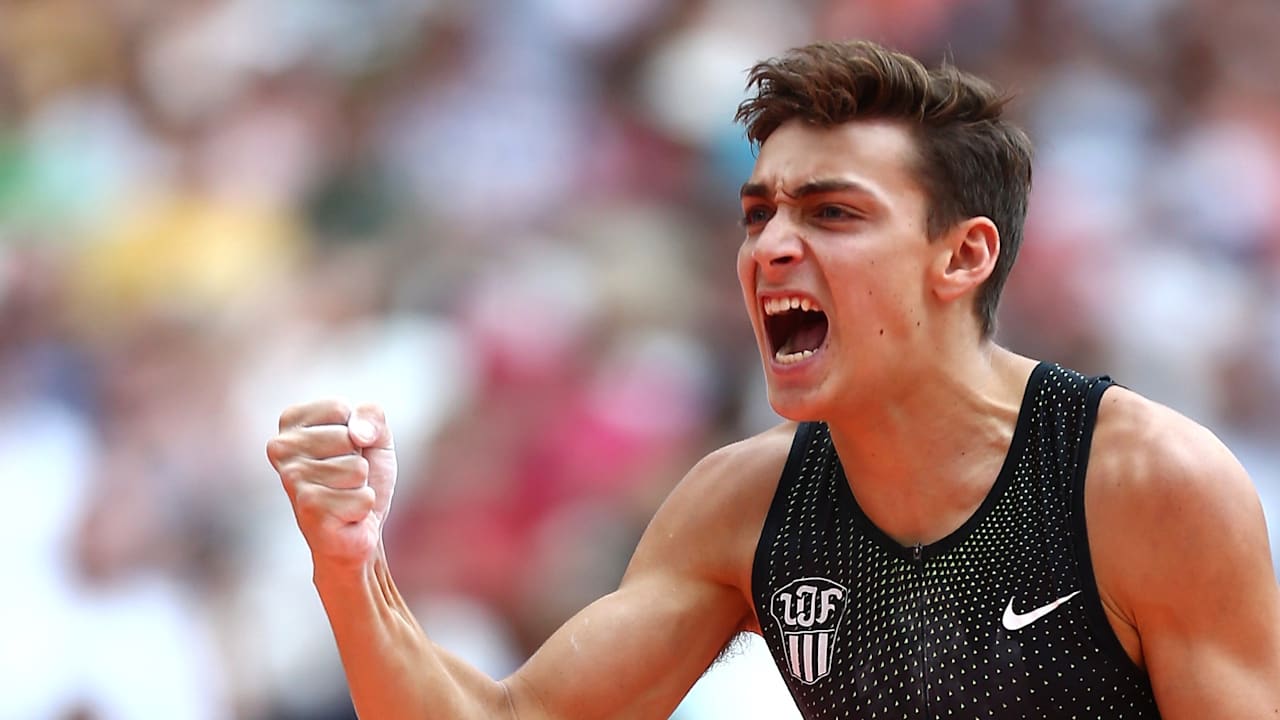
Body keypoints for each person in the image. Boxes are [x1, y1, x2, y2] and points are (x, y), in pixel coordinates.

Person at [266, 40, 1280, 719]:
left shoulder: (1143, 484)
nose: (770, 248)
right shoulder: (745, 508)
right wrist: (353, 569)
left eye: (832, 213)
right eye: (759, 214)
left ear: (963, 255)